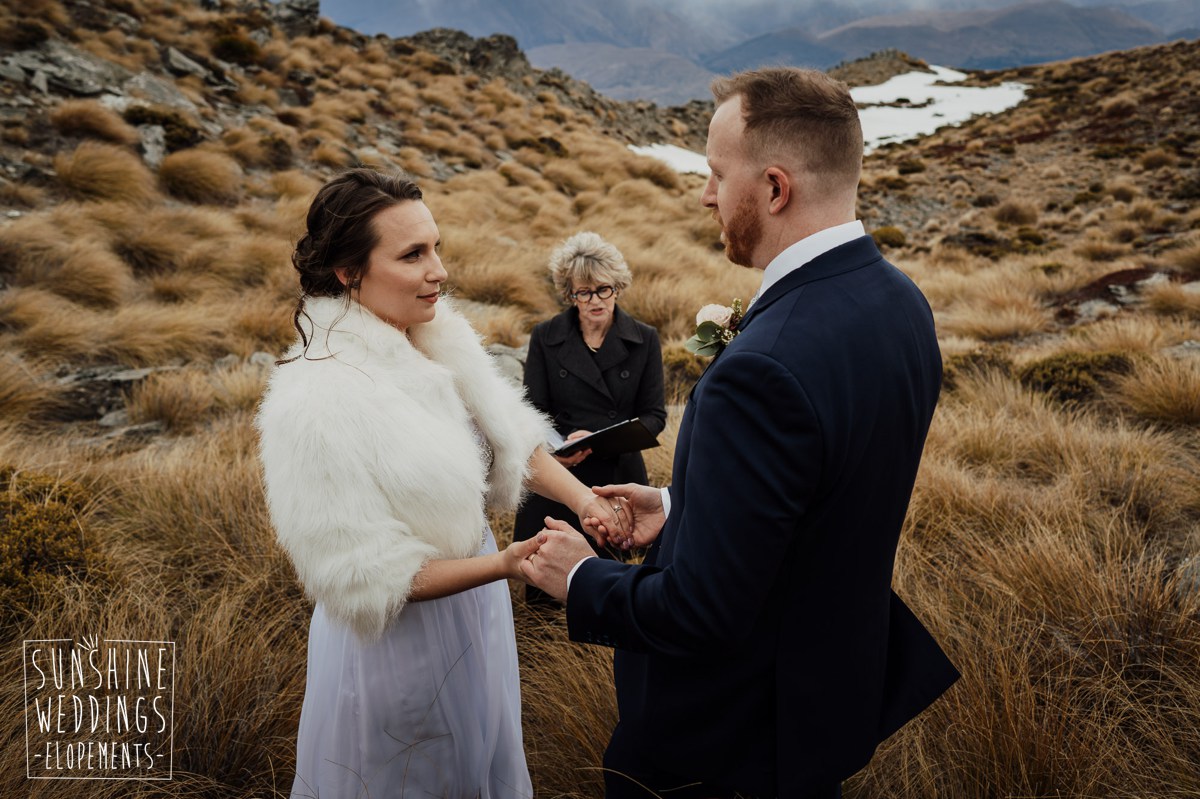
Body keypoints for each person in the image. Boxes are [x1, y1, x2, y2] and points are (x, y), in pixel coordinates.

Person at [522, 68, 960, 798]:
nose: (704, 194)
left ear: (776, 188)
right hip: (826, 697)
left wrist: (578, 576)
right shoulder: (899, 302)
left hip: (728, 741)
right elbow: (825, 486)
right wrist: (684, 503)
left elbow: (703, 614)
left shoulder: (764, 367)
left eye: (718, 174)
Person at [254, 169, 625, 799]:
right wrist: (505, 562)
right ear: (348, 271)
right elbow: (363, 577)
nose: (440, 271)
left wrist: (585, 499)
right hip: (398, 643)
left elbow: (508, 433)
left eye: (437, 247)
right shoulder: (315, 399)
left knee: (481, 760)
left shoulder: (437, 336)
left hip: (475, 611)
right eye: (412, 255)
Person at [513, 232, 666, 603]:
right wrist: (557, 447)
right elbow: (531, 412)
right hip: (558, 480)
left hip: (617, 481)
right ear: (569, 294)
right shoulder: (546, 336)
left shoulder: (644, 340)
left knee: (611, 592)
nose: (595, 300)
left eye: (603, 289)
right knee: (548, 590)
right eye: (583, 292)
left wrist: (601, 437)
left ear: (618, 287)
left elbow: (654, 415)